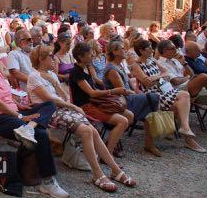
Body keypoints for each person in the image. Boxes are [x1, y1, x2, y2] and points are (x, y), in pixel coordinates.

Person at [28, 45, 134, 192]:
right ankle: (98, 174)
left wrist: (53, 82)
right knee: (86, 131)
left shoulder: (50, 75)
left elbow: (63, 96)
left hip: (60, 109)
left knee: (93, 131)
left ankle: (115, 170)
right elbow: (49, 99)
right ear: (41, 59)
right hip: (47, 112)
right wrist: (73, 107)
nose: (54, 60)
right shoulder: (33, 76)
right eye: (51, 57)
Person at [0, 44, 69, 198]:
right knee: (41, 134)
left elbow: (6, 97)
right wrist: (21, 116)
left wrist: (21, 106)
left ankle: (29, 128)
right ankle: (48, 182)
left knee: (49, 104)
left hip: (12, 112)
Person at [131, 39, 205, 153]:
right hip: (152, 95)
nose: (152, 49)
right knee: (181, 101)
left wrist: (156, 77)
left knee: (183, 97)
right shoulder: (136, 65)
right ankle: (187, 136)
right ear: (141, 51)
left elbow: (166, 73)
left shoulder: (152, 60)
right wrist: (160, 77)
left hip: (162, 91)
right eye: (149, 48)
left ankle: (185, 129)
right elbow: (146, 83)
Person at [69, 43, 133, 157]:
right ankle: (107, 155)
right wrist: (113, 91)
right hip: (85, 107)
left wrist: (109, 89)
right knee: (122, 121)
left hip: (96, 103)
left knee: (129, 115)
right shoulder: (76, 72)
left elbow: (95, 87)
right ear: (81, 57)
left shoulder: (86, 68)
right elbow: (92, 93)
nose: (93, 55)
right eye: (89, 53)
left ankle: (108, 145)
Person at [103, 41, 161, 157]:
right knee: (153, 98)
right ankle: (150, 141)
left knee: (150, 102)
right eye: (122, 48)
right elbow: (122, 90)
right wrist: (137, 93)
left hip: (127, 97)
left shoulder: (119, 65)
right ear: (114, 52)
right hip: (120, 100)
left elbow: (129, 85)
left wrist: (137, 91)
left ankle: (150, 141)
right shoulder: (112, 69)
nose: (125, 50)